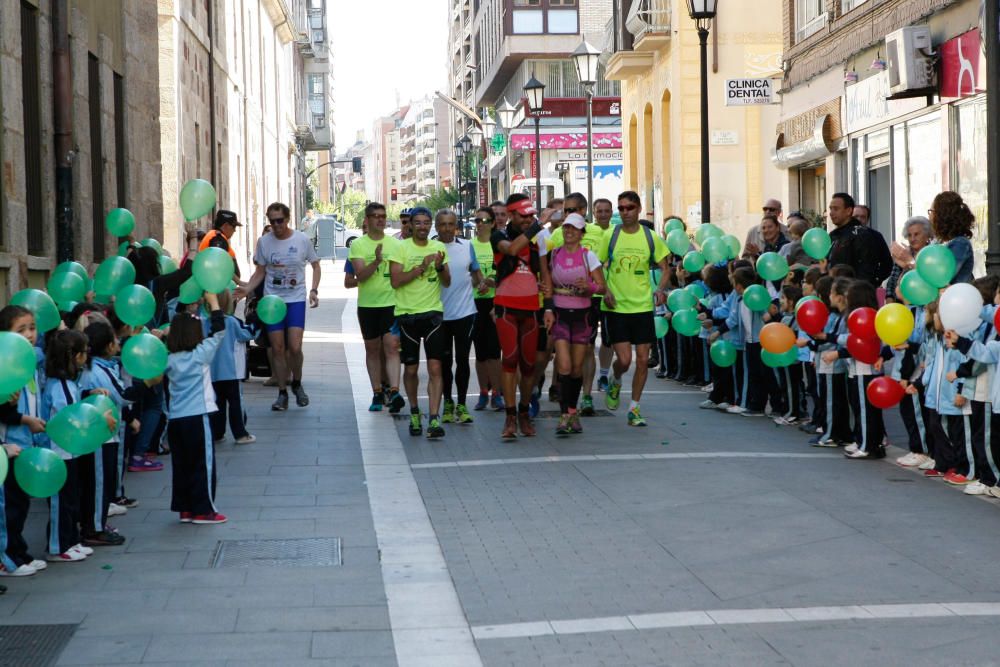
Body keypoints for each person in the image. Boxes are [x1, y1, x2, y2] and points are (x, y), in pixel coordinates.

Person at [237, 202, 321, 411]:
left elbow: (315, 265)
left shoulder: (301, 240)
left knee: (295, 347)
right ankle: (282, 392)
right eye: (272, 221)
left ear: (287, 218)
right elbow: (260, 272)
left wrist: (314, 290)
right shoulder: (264, 242)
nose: (276, 225)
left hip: (295, 299)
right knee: (278, 348)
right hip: (272, 302)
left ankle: (298, 383)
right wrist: (247, 289)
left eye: (280, 221)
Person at [599, 191, 671, 426]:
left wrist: (660, 289)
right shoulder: (611, 235)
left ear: (639, 209)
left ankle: (634, 408)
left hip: (642, 307)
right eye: (621, 208)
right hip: (617, 307)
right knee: (625, 359)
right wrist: (604, 290)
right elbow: (596, 265)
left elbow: (665, 267)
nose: (625, 212)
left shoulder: (650, 237)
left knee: (642, 360)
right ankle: (615, 379)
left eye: (629, 207)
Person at [165, 291, 228, 524]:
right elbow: (219, 331)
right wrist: (213, 303)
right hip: (198, 417)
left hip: (175, 419)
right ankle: (204, 510)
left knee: (181, 464)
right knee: (203, 464)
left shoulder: (168, 359)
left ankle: (185, 508)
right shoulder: (200, 355)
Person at [388, 207, 451, 439]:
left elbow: (447, 282)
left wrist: (440, 267)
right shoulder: (400, 247)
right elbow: (395, 281)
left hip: (433, 314)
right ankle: (414, 411)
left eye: (427, 223)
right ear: (411, 225)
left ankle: (434, 418)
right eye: (418, 223)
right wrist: (422, 268)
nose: (423, 227)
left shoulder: (439, 247)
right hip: (407, 316)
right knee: (411, 369)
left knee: (436, 368)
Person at [491, 193, 551, 439]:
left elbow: (545, 274)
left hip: (531, 308)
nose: (528, 220)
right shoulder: (500, 235)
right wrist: (539, 225)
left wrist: (548, 307)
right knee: (510, 360)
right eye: (524, 216)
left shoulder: (539, 240)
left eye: (531, 216)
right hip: (506, 307)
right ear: (512, 215)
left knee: (529, 365)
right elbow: (513, 250)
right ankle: (510, 416)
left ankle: (524, 413)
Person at [542, 213, 606, 435]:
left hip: (582, 316)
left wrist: (588, 287)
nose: (569, 231)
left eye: (574, 229)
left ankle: (572, 411)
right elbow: (547, 283)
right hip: (560, 314)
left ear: (581, 233)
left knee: (577, 368)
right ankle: (564, 416)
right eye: (567, 227)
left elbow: (602, 287)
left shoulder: (589, 256)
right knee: (564, 366)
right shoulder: (554, 254)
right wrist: (547, 306)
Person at [0, 306, 47, 578]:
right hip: (9, 449)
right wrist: (24, 419)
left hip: (27, 445)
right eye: (21, 330)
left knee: (21, 504)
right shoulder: (5, 366)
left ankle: (19, 552)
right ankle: (7, 560)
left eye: (32, 328)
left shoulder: (29, 360)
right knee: (10, 507)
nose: (29, 335)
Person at [41, 330, 96, 561]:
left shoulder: (67, 383)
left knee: (70, 499)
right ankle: (58, 546)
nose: (86, 357)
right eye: (84, 352)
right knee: (60, 501)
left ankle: (70, 540)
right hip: (57, 452)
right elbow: (69, 419)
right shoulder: (60, 386)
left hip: (67, 451)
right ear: (74, 356)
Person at [350, 202, 405, 413]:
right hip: (368, 305)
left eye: (383, 215)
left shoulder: (396, 244)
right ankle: (376, 392)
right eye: (375, 216)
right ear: (367, 220)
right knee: (372, 349)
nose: (380, 219)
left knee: (391, 346)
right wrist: (376, 261)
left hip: (391, 304)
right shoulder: (358, 245)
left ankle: (394, 390)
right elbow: (360, 276)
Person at [435, 209, 483, 425]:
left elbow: (476, 275)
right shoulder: (432, 248)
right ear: (436, 227)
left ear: (456, 226)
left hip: (465, 313)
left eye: (450, 224)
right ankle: (447, 403)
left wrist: (481, 284)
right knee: (444, 363)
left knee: (462, 360)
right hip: (440, 315)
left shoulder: (467, 246)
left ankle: (462, 404)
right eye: (443, 224)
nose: (447, 228)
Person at [204, 290, 257, 444]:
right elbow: (247, 335)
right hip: (231, 372)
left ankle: (217, 433)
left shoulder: (204, 322)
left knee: (217, 403)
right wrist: (256, 323)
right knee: (235, 403)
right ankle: (240, 434)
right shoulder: (232, 322)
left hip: (212, 372)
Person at [470, 208, 503, 411]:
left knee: (494, 352)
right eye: (477, 220)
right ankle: (483, 392)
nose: (480, 224)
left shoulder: (499, 245)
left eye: (485, 220)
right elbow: (466, 271)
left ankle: (497, 394)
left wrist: (492, 282)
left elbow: (507, 275)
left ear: (493, 223)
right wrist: (478, 281)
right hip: (473, 304)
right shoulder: (469, 246)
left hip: (495, 303)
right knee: (480, 353)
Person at [826, 193, 892, 286]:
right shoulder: (833, 235)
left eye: (836, 209)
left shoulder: (864, 235)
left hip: (855, 293)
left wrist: (868, 284)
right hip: (835, 291)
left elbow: (884, 265)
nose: (831, 213)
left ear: (848, 211)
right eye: (830, 208)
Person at [592, 198, 617, 396]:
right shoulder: (587, 232)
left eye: (606, 211)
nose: (603, 214)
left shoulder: (617, 232)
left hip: (611, 294)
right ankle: (586, 379)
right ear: (593, 212)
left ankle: (603, 375)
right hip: (590, 294)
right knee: (588, 340)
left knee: (608, 340)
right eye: (599, 211)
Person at [928, 191, 975, 284]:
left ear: (942, 216)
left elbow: (942, 275)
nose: (929, 215)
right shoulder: (937, 242)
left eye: (931, 211)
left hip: (958, 297)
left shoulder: (960, 244)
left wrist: (910, 261)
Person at [886, 216, 932, 301]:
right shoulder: (904, 253)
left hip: (925, 302)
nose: (912, 239)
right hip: (901, 304)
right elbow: (892, 280)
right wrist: (889, 298)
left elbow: (930, 279)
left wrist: (909, 262)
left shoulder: (932, 253)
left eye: (916, 234)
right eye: (909, 235)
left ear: (927, 235)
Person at [200, 209, 243, 279]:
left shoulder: (215, 236)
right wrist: (240, 282)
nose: (235, 230)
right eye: (234, 226)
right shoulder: (218, 239)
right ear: (225, 225)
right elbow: (218, 267)